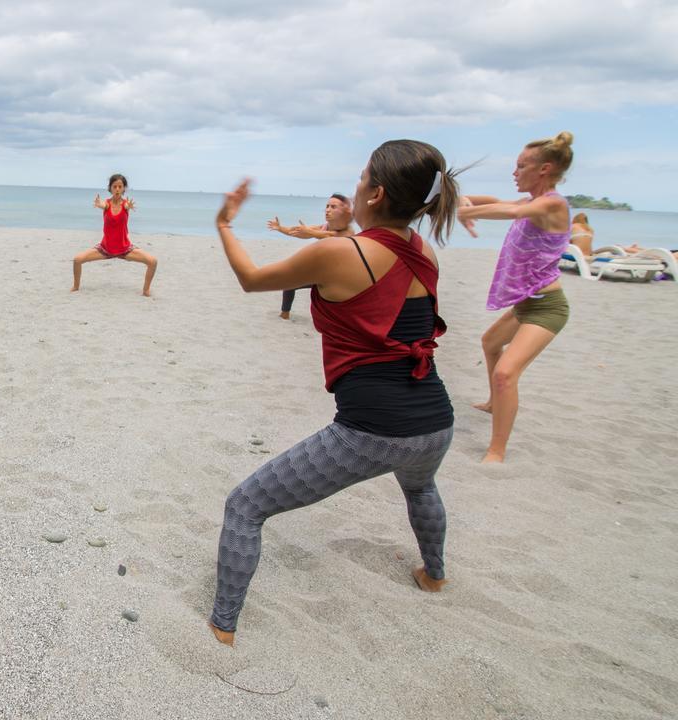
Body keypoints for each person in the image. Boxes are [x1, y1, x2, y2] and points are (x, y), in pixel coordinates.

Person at [208, 140, 460, 647]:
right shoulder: (423, 250)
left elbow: (252, 279)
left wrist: (224, 225)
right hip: (436, 420)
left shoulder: (341, 252)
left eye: (361, 176)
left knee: (245, 507)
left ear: (376, 191)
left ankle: (222, 627)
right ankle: (434, 574)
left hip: (372, 431)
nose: (356, 183)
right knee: (419, 487)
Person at [457, 131, 574, 463]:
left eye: (521, 166)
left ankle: (497, 449)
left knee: (506, 373)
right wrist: (463, 202)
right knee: (490, 342)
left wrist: (470, 214)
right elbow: (494, 201)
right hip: (526, 305)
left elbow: (510, 213)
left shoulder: (552, 203)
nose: (514, 172)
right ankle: (495, 402)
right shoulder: (528, 202)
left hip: (547, 309)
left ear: (544, 169)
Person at [266, 193, 355, 319]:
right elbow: (297, 231)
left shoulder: (348, 231)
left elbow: (331, 236)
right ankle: (284, 314)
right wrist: (280, 228)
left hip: (341, 279)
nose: (328, 209)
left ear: (344, 212)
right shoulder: (322, 227)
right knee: (289, 283)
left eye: (333, 207)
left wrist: (310, 232)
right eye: (327, 206)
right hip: (321, 275)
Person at [71, 174, 158, 296]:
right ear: (110, 188)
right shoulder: (106, 204)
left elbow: (126, 206)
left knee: (152, 262)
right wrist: (98, 204)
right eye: (114, 186)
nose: (117, 189)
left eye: (120, 186)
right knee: (77, 260)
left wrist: (128, 206)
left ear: (124, 188)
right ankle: (75, 287)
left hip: (125, 249)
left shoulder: (126, 204)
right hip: (105, 249)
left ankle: (146, 290)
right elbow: (103, 205)